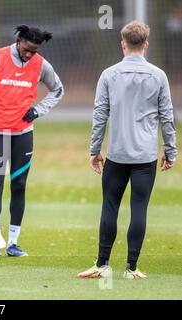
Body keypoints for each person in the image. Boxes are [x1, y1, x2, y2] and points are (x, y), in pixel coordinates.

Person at [78, 21, 177, 280]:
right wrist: (171, 150)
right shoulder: (158, 76)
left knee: (109, 207)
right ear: (146, 44)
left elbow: (100, 115)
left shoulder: (109, 74)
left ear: (123, 44)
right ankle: (132, 268)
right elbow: (167, 117)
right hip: (146, 156)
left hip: (117, 154)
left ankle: (102, 264)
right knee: (139, 209)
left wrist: (94, 149)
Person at [0, 25, 64, 258]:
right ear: (18, 40)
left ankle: (14, 243)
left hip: (23, 134)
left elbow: (58, 89)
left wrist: (38, 111)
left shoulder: (41, 64)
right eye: (26, 49)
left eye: (33, 51)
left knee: (19, 186)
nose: (29, 55)